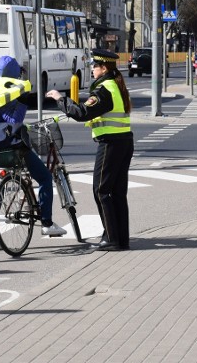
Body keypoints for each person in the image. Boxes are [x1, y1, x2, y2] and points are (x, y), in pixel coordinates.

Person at [0, 56, 66, 252]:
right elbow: (13, 120)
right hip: (11, 146)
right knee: (44, 178)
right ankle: (47, 224)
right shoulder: (9, 91)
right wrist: (22, 103)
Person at [47, 48, 133, 251]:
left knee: (101, 191)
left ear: (103, 68)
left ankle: (111, 238)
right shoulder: (115, 85)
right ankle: (121, 238)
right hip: (123, 142)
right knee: (117, 193)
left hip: (111, 143)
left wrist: (60, 99)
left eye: (94, 66)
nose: (92, 69)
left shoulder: (104, 89)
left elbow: (82, 112)